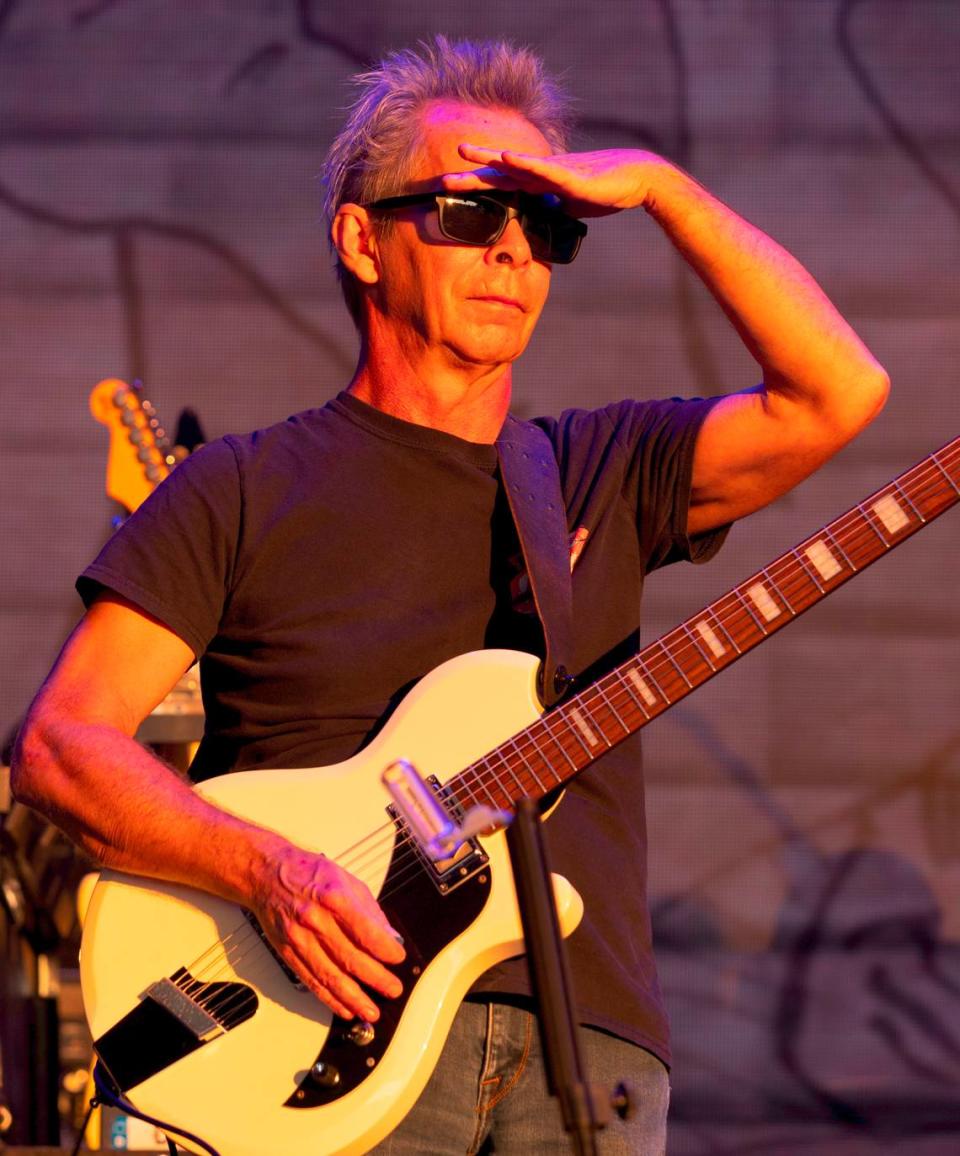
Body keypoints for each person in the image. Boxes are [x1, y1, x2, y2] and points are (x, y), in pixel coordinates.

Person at [11, 35, 888, 1155]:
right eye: (474, 214)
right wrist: (267, 872)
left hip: (587, 1042)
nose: (516, 252)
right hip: (316, 1026)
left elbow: (840, 389)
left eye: (550, 225)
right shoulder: (235, 488)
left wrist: (662, 190)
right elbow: (62, 745)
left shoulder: (598, 468)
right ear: (360, 240)